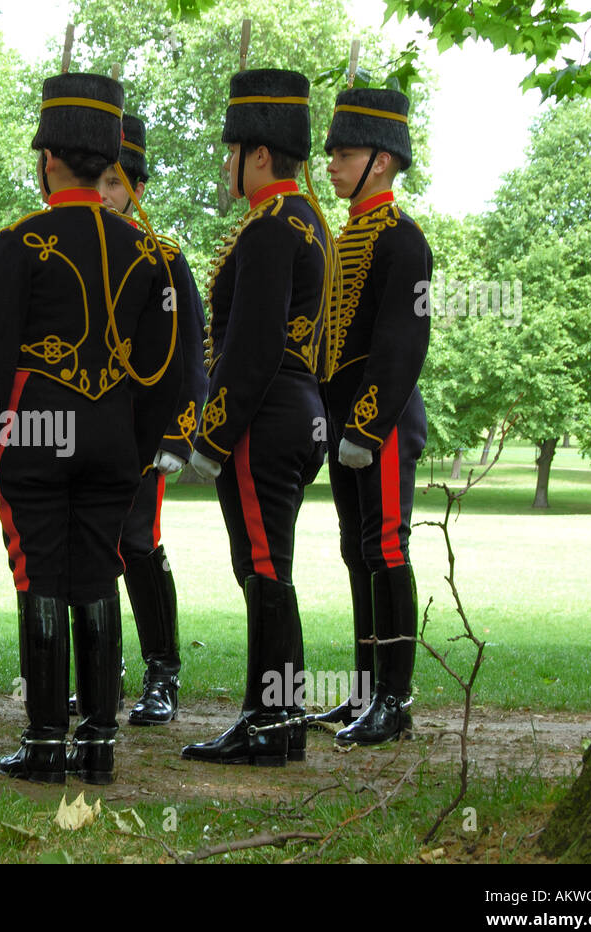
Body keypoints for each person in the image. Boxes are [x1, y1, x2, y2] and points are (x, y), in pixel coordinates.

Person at [0, 72, 181, 785]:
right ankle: (101, 745)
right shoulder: (149, 251)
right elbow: (161, 371)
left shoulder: (19, 240)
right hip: (115, 439)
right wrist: (137, 447)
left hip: (34, 433)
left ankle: (48, 741)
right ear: (107, 157)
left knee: (41, 579)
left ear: (49, 158)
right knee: (97, 575)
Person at [182, 69, 333, 768]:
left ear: (260, 155)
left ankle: (270, 722)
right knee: (268, 569)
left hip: (264, 417)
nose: (227, 163)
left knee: (265, 570)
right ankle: (277, 715)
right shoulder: (304, 220)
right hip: (294, 412)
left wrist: (215, 432)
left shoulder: (274, 227)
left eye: (233, 149)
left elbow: (253, 341)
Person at [311, 87, 431, 746]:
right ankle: (364, 691)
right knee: (357, 551)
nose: (331, 164)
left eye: (345, 153)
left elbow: (400, 344)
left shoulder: (401, 239)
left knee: (386, 549)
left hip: (378, 425)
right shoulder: (347, 236)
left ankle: (395, 699)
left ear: (380, 162)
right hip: (342, 423)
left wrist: (365, 423)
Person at [90, 113, 207, 725]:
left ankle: (161, 674)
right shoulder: (68, 247)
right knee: (89, 551)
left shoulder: (165, 258)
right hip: (80, 433)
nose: (108, 194)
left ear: (135, 188)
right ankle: (98, 677)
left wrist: (177, 434)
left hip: (140, 437)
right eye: (101, 180)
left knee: (137, 546)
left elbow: (191, 355)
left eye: (118, 182)